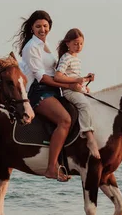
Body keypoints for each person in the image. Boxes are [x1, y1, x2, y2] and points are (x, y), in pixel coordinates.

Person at [16, 10, 81, 182]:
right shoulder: (31, 47)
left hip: (53, 89)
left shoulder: (47, 45)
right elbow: (42, 77)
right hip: (39, 91)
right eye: (38, 26)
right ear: (32, 28)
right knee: (65, 120)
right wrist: (69, 84)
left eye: (45, 26)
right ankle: (51, 167)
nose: (42, 29)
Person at [54, 28, 100, 159]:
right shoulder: (66, 57)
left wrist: (85, 79)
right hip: (69, 91)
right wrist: (77, 80)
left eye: (80, 44)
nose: (78, 46)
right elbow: (58, 76)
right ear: (68, 43)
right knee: (84, 105)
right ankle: (89, 137)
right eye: (75, 43)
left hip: (77, 88)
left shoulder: (76, 58)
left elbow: (73, 76)